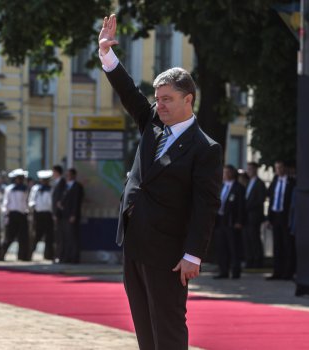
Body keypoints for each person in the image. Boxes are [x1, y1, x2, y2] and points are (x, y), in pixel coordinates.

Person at [99, 14, 222, 349]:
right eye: (157, 98)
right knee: (143, 326)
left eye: (167, 99)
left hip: (168, 251)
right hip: (135, 242)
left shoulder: (204, 148)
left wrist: (193, 254)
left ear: (188, 99)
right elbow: (128, 93)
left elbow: (206, 204)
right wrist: (107, 55)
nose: (160, 105)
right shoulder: (152, 123)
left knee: (167, 326)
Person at [214, 165, 246, 279]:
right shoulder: (220, 186)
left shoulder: (239, 188)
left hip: (232, 222)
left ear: (233, 173)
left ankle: (236, 272)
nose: (225, 174)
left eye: (228, 172)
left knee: (234, 247)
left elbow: (242, 206)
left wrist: (239, 221)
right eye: (224, 172)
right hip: (220, 221)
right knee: (222, 247)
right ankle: (223, 271)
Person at [266, 160, 296, 280]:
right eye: (276, 168)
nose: (278, 170)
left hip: (286, 217)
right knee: (277, 246)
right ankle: (277, 272)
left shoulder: (292, 182)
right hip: (276, 216)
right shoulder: (274, 182)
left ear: (285, 168)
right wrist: (269, 218)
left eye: (280, 167)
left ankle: (288, 273)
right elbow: (271, 200)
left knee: (287, 245)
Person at [55, 168, 84, 263]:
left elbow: (77, 202)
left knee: (73, 237)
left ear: (74, 175)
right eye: (66, 175)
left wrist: (74, 215)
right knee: (65, 237)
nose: (68, 177)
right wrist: (60, 204)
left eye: (69, 175)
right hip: (64, 215)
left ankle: (74, 258)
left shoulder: (77, 187)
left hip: (71, 216)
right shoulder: (65, 186)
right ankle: (65, 257)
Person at [1, 169, 31, 261]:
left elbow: (27, 202)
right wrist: (6, 214)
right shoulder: (9, 189)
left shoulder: (25, 189)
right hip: (13, 214)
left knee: (23, 237)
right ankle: (1, 254)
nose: (20, 180)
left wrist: (28, 213)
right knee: (9, 236)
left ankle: (23, 256)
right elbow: (6, 202)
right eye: (18, 178)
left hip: (22, 214)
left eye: (21, 178)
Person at [244, 162, 266, 268]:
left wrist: (248, 206)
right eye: (248, 169)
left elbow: (260, 199)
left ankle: (258, 260)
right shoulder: (248, 182)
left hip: (254, 216)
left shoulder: (259, 183)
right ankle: (250, 259)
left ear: (255, 170)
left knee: (255, 238)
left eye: (251, 169)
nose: (249, 171)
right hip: (247, 216)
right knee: (248, 238)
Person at [29, 170, 54, 260]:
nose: (45, 181)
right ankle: (30, 253)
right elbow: (31, 201)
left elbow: (51, 203)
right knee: (36, 235)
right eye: (43, 180)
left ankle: (48, 255)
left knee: (49, 236)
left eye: (46, 180)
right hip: (38, 214)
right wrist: (32, 210)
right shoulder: (36, 189)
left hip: (48, 214)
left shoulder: (51, 189)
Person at [51, 165, 66, 263]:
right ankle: (57, 255)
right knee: (57, 236)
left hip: (60, 214)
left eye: (53, 172)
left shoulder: (62, 182)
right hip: (56, 213)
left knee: (60, 236)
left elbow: (59, 199)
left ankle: (60, 256)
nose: (52, 174)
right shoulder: (56, 182)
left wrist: (56, 213)